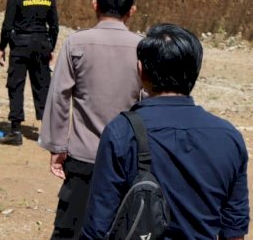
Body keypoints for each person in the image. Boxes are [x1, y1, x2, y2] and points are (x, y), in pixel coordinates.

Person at [82, 24, 249, 239]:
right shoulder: (229, 137)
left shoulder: (121, 132)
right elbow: (234, 230)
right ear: (195, 72)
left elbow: (98, 224)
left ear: (141, 71)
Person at [39, 0, 142, 239]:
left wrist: (58, 147)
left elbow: (59, 97)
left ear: (95, 5)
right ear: (132, 11)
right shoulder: (142, 48)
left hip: (83, 157)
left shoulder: (76, 43)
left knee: (71, 228)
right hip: (128, 160)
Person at [0, 0, 59, 146]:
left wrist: (2, 47)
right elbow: (54, 26)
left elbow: (7, 25)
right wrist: (51, 47)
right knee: (43, 86)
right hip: (41, 45)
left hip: (21, 45)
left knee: (16, 85)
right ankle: (47, 132)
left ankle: (15, 130)